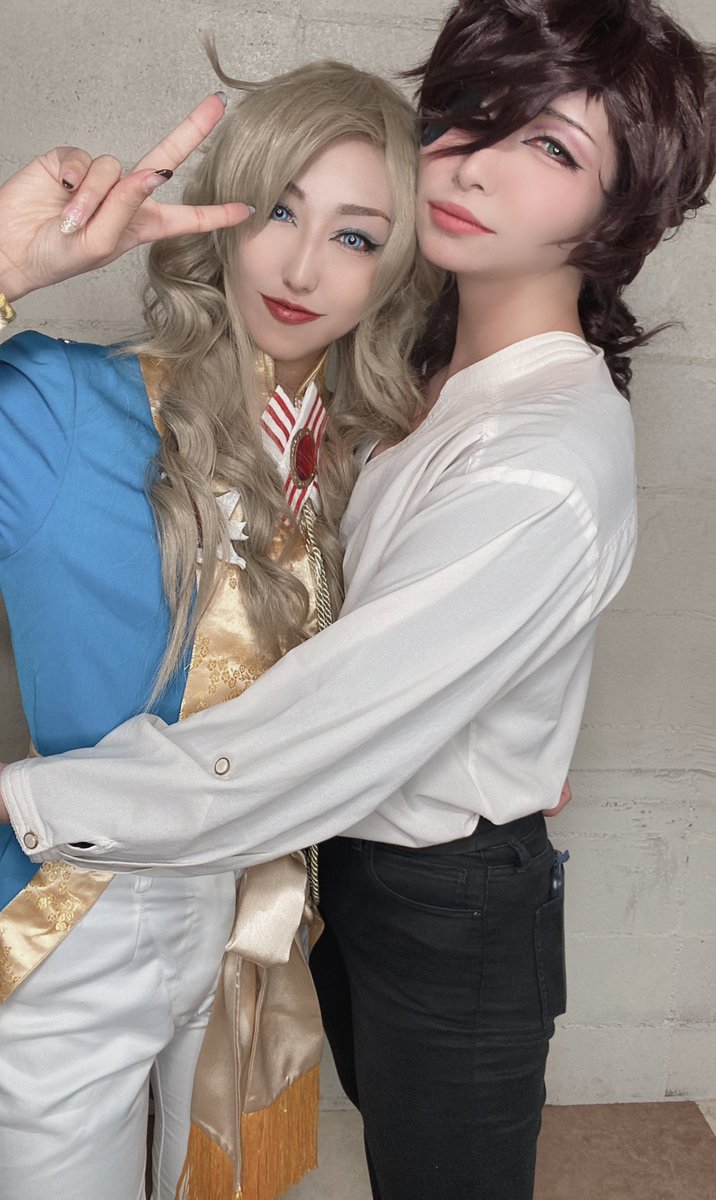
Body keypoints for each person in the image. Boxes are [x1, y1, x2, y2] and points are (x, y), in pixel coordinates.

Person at [3, 1, 715, 1197]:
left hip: (303, 909)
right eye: (471, 114)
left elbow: (345, 713)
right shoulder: (348, 409)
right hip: (121, 901)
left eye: (353, 234)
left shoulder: (464, 447)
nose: (300, 266)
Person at [0, 61, 435, 1200]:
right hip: (72, 913)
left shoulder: (376, 461)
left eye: (354, 236)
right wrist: (6, 267)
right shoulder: (61, 406)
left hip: (262, 921)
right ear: (224, 213)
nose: (302, 268)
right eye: (279, 211)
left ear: (395, 269)